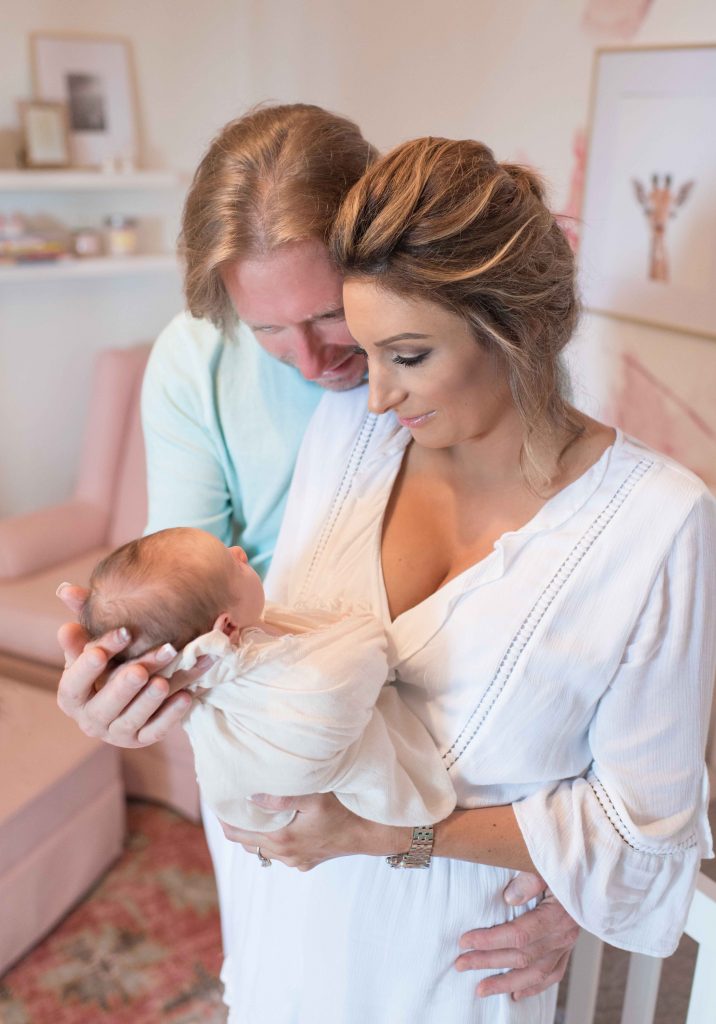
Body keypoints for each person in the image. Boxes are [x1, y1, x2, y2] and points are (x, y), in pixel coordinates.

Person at [55, 103, 581, 1008]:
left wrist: (572, 875)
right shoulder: (194, 363)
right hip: (280, 745)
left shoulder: (464, 365)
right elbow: (176, 590)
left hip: (466, 763)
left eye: (330, 314)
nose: (309, 361)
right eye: (265, 330)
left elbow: (572, 607)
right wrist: (125, 688)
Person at [198, 134, 714, 1022]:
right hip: (281, 931)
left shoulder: (657, 526)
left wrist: (377, 836)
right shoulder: (349, 438)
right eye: (368, 353)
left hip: (448, 975)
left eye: (407, 355)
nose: (375, 396)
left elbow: (643, 828)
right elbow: (270, 665)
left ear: (514, 328)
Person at [80, 526, 456, 831]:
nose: (238, 551)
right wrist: (362, 633)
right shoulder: (256, 670)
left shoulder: (228, 646)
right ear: (226, 626)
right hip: (291, 767)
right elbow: (340, 678)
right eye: (234, 567)